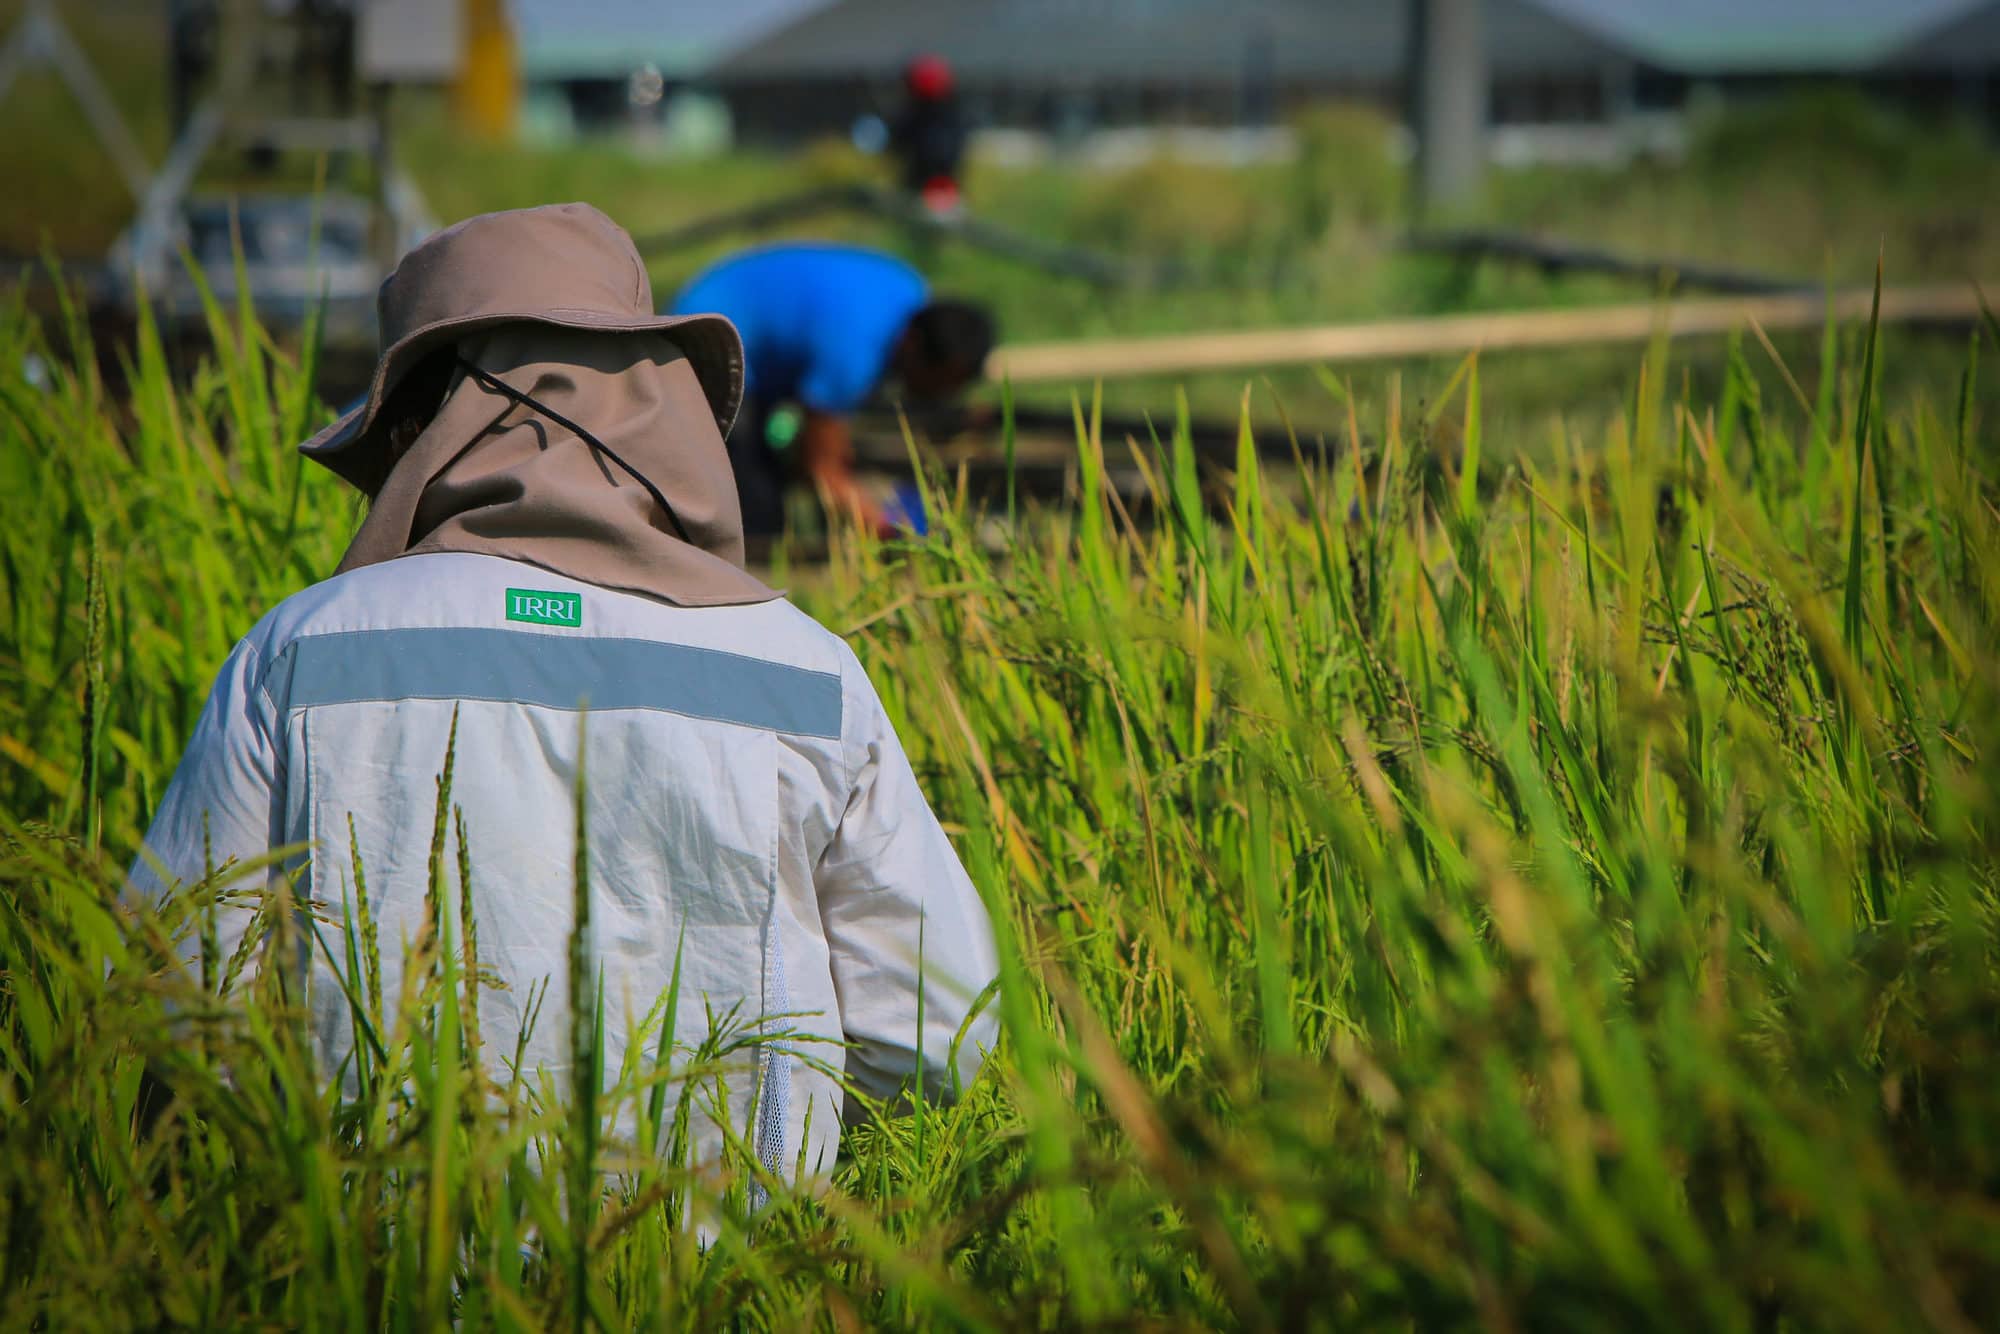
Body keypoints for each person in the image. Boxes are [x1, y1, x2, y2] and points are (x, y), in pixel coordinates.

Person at [128, 203, 1000, 1180]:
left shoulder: (297, 654)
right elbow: (932, 1023)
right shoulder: (806, 672)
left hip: (362, 1271)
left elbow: (175, 1000)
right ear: (659, 410)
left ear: (419, 427)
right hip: (735, 1280)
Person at [668, 243, 995, 537]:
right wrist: (889, 530)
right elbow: (821, 468)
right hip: (704, 342)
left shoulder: (911, 291)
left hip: (732, 318)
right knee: (755, 509)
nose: (940, 395)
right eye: (939, 383)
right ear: (914, 347)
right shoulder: (854, 354)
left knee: (768, 472)